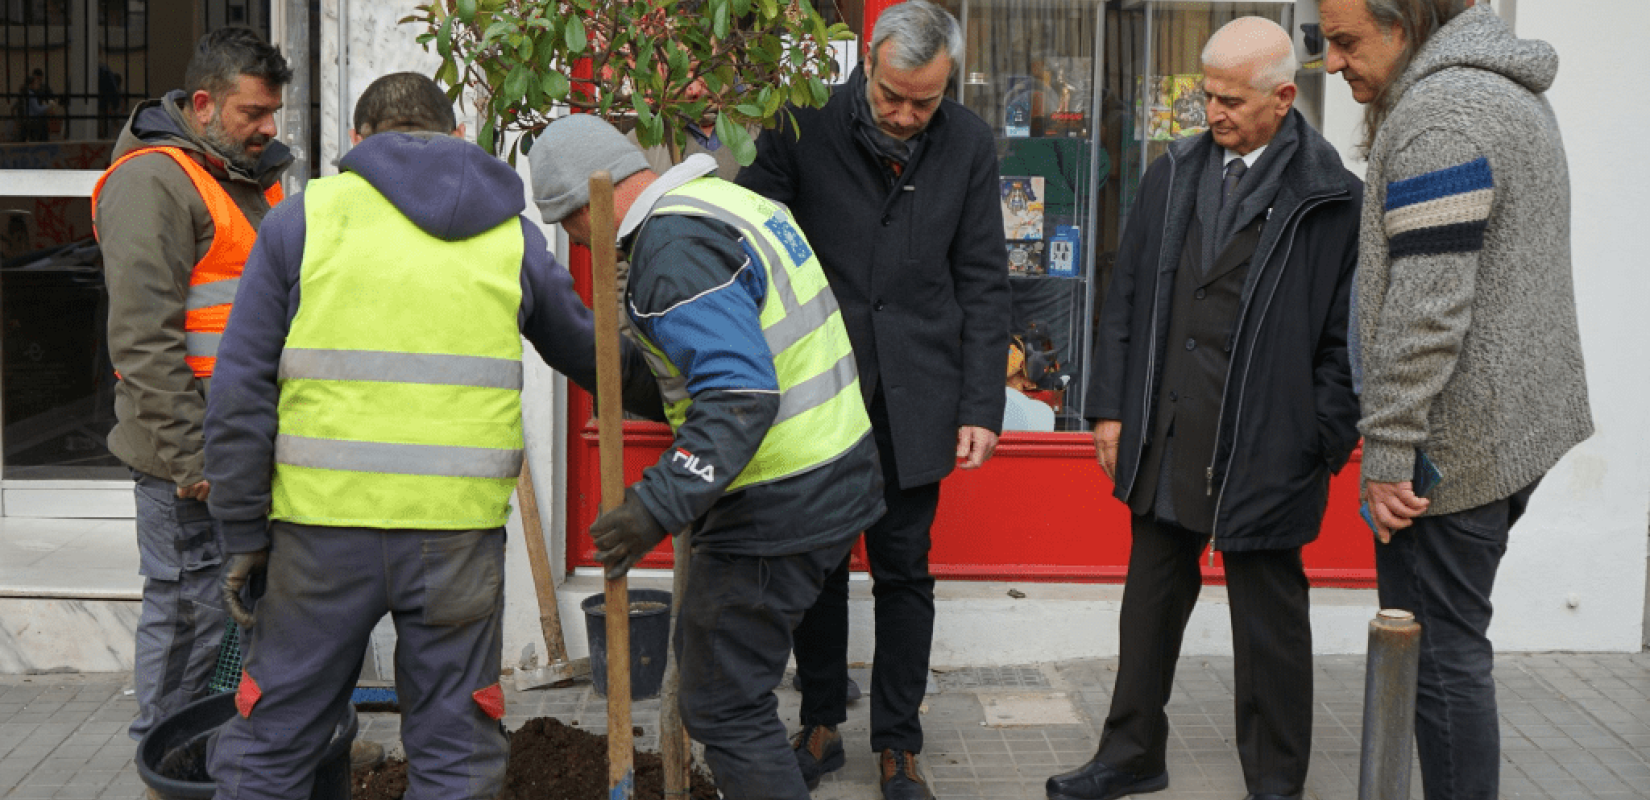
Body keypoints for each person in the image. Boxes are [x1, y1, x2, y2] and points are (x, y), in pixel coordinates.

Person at [198, 73, 662, 798]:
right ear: (457, 136)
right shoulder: (506, 232)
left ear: (356, 141)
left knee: (273, 740)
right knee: (454, 753)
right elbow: (593, 354)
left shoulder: (303, 220)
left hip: (321, 534)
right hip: (454, 539)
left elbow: (240, 389)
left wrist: (241, 529)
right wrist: (687, 398)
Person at [1047, 18, 1362, 800]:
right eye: (1206, 94)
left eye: (1230, 99)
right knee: (1149, 602)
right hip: (1169, 423)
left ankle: (1276, 782)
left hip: (1269, 441)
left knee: (1269, 621)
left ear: (1282, 97)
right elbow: (1126, 294)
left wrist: (1316, 437)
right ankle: (1130, 755)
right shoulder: (1175, 171)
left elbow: (1348, 341)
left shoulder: (1332, 200)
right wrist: (1111, 408)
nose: (1212, 112)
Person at [529, 113, 885, 800]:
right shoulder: (725, 201)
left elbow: (738, 394)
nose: (579, 243)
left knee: (724, 703)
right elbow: (688, 375)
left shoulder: (673, 250)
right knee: (721, 679)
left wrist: (653, 506)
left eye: (568, 226)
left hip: (778, 500)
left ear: (582, 205)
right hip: (831, 476)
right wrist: (572, 342)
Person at [736, 2, 1011, 795]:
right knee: (819, 566)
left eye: (925, 101)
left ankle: (898, 742)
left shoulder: (967, 143)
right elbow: (749, 237)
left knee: (904, 572)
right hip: (820, 386)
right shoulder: (799, 125)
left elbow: (983, 279)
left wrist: (980, 406)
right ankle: (820, 722)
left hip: (917, 394)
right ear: (868, 63)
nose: (905, 116)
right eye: (893, 96)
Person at [1322, 2, 1594, 798]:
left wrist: (1389, 450)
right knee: (1453, 650)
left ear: (1404, 23)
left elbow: (1426, 311)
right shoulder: (1503, 91)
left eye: (1345, 41)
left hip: (1449, 449)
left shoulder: (1442, 116)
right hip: (1507, 431)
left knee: (1439, 663)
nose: (1331, 63)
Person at [90, 26, 292, 744]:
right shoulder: (153, 182)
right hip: (189, 462)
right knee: (190, 616)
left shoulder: (243, 175)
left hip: (241, 448)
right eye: (252, 113)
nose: (268, 129)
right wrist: (192, 460)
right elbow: (143, 342)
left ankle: (244, 758)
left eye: (273, 113)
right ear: (203, 105)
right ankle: (165, 766)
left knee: (246, 617)